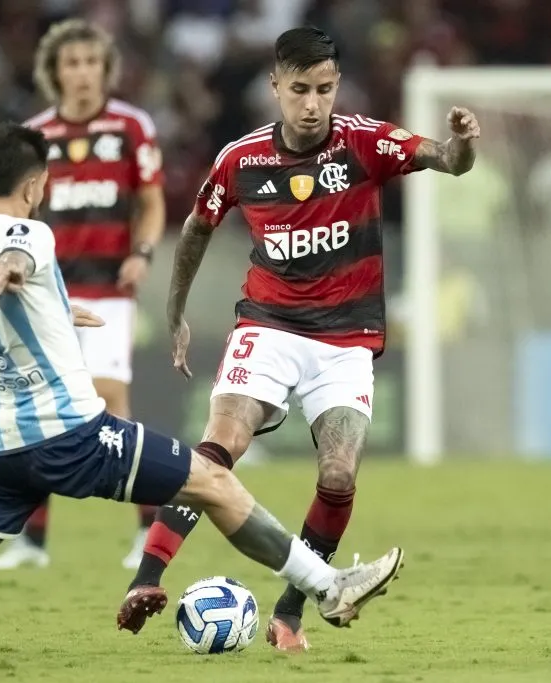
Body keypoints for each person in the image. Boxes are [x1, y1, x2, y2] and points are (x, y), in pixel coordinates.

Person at [0, 122, 403, 668]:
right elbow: (16, 255)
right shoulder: (31, 234)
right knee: (214, 482)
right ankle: (328, 587)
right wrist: (16, 265)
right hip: (71, 435)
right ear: (33, 187)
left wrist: (54, 306)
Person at [117, 26, 479, 651]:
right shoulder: (241, 159)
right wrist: (176, 311)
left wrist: (462, 144)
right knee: (216, 449)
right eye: (300, 90)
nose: (313, 104)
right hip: (268, 326)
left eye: (326, 89)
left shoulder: (366, 143)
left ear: (337, 86)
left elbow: (447, 161)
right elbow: (197, 229)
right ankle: (145, 579)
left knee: (338, 476)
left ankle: (290, 614)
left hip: (346, 340)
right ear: (275, 87)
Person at [0, 18, 167, 571]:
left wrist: (142, 253)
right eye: (72, 63)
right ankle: (32, 542)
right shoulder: (36, 134)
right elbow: (16, 210)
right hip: (49, 290)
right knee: (39, 406)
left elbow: (152, 202)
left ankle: (147, 530)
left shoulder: (133, 126)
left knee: (110, 399)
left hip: (110, 286)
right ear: (54, 72)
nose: (84, 73)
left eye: (92, 62)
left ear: (106, 69)